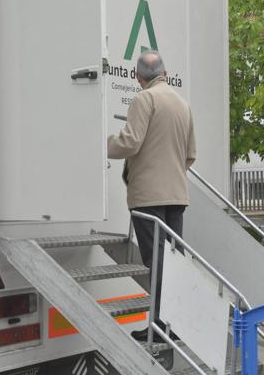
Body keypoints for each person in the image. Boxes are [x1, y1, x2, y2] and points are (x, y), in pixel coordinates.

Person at [107, 50, 196, 342]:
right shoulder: (183, 104)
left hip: (149, 197)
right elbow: (191, 155)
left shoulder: (144, 99)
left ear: (137, 77)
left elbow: (130, 142)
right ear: (165, 74)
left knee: (156, 262)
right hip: (176, 196)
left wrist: (100, 144)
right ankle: (176, 326)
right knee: (173, 262)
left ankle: (158, 328)